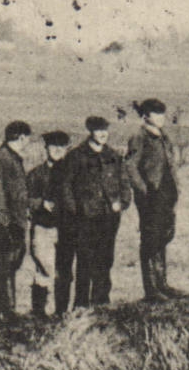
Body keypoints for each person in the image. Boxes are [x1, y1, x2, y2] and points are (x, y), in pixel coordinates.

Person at [58, 114, 125, 307]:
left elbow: (123, 182)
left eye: (105, 130)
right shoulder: (76, 156)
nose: (103, 134)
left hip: (108, 218)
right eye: (99, 131)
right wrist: (75, 211)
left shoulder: (113, 156)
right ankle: (81, 305)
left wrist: (122, 202)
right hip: (85, 219)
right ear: (91, 132)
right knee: (85, 262)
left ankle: (101, 303)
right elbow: (66, 187)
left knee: (105, 261)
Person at [122, 98, 180, 302]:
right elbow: (130, 167)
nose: (161, 118)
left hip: (166, 195)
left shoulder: (164, 137)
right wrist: (144, 191)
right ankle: (152, 289)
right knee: (150, 240)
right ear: (146, 116)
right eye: (156, 114)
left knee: (164, 236)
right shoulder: (139, 137)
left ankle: (162, 283)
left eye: (162, 114)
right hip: (151, 197)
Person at [0, 120, 31, 325]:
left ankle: (1, 315)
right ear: (21, 138)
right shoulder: (2, 159)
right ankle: (2, 315)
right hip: (3, 226)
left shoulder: (9, 158)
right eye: (27, 138)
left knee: (6, 268)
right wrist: (7, 225)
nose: (28, 141)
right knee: (2, 268)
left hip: (9, 224)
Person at [24, 130, 69, 318]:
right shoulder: (36, 174)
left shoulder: (71, 174)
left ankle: (59, 312)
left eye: (62, 146)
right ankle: (40, 311)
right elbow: (25, 200)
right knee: (46, 268)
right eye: (54, 146)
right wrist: (42, 204)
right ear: (46, 148)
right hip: (43, 228)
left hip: (66, 229)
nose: (58, 150)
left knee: (62, 271)